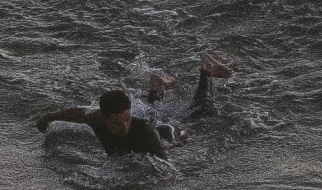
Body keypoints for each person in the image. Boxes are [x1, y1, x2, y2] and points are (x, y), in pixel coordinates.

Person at [36, 57, 232, 158]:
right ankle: (157, 86)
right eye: (117, 122)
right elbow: (76, 113)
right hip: (151, 128)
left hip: (168, 134)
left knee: (201, 112)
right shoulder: (95, 118)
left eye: (127, 119)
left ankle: (205, 73)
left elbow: (168, 167)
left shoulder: (144, 132)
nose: (124, 126)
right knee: (152, 108)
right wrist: (48, 117)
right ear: (104, 118)